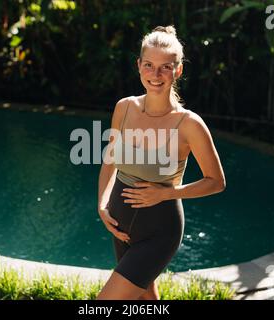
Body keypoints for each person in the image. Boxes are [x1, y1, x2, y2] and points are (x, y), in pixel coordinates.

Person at [96, 25, 226, 300]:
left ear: (178, 71)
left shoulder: (189, 124)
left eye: (165, 67)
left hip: (159, 231)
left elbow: (216, 182)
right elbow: (110, 160)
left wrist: (167, 192)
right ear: (139, 66)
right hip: (120, 227)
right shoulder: (125, 107)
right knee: (146, 300)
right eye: (149, 65)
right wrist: (102, 204)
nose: (156, 75)